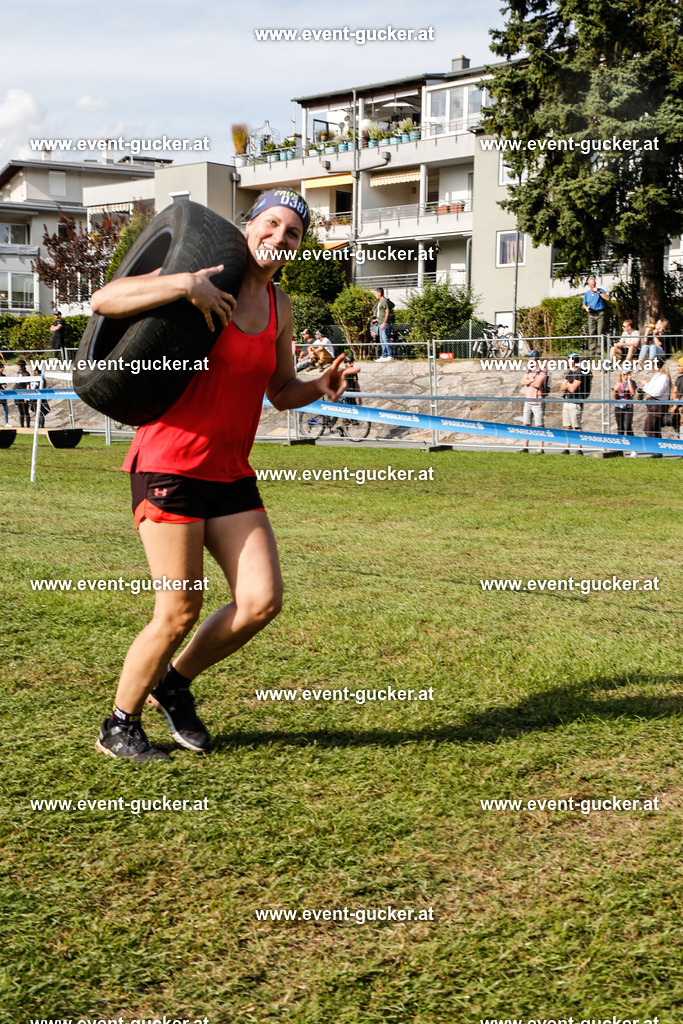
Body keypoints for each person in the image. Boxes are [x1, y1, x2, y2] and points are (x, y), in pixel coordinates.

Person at [89, 187, 357, 762]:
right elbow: (104, 300)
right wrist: (185, 285)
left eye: (293, 233)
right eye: (272, 224)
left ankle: (173, 684)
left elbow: (281, 393)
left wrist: (321, 387)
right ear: (249, 225)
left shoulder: (281, 306)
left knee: (261, 601)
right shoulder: (204, 270)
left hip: (230, 472)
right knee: (179, 609)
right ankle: (118, 723)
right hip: (170, 464)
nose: (280, 238)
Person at [560, 353, 592, 454]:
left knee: (576, 426)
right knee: (567, 426)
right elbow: (562, 387)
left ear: (573, 360)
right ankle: (567, 448)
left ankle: (579, 448)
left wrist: (568, 385)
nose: (566, 361)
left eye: (568, 359)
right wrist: (569, 385)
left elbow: (573, 388)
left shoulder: (580, 372)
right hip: (567, 401)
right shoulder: (570, 373)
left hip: (576, 403)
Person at [518, 349, 548, 453]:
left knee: (539, 425)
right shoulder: (529, 370)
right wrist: (531, 380)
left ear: (534, 358)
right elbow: (522, 381)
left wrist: (529, 381)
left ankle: (541, 448)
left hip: (538, 401)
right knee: (526, 424)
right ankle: (525, 447)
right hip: (528, 400)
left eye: (529, 357)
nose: (528, 359)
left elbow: (538, 384)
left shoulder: (542, 370)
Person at [640, 356, 671, 443]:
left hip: (657, 407)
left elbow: (657, 392)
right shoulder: (657, 377)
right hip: (653, 406)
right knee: (655, 430)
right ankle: (658, 451)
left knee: (648, 428)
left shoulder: (663, 377)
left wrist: (646, 385)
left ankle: (655, 449)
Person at [582, 276, 610, 357]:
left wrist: (598, 292)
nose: (593, 286)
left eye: (594, 285)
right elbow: (584, 304)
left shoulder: (600, 291)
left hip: (600, 313)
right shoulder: (587, 294)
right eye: (591, 285)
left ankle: (599, 350)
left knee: (600, 331)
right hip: (591, 314)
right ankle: (592, 350)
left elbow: (607, 298)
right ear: (588, 285)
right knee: (592, 332)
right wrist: (586, 308)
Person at [612, 368, 636, 437]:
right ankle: (620, 444)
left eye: (628, 373)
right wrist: (615, 390)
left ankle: (632, 444)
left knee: (628, 426)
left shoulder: (632, 382)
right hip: (618, 406)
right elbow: (615, 397)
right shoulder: (617, 383)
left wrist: (629, 381)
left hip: (628, 406)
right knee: (620, 427)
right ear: (621, 374)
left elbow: (632, 393)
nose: (626, 375)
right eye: (625, 374)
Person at [373, 287, 394, 362]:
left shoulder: (384, 301)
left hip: (384, 323)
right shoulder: (379, 302)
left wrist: (384, 323)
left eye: (376, 293)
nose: (375, 295)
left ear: (379, 293)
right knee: (382, 340)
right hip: (380, 323)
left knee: (385, 339)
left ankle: (390, 355)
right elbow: (381, 313)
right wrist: (376, 320)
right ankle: (384, 355)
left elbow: (387, 312)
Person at [14, 358, 31, 427]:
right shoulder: (18, 373)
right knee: (20, 411)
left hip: (23, 393)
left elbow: (28, 385)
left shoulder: (26, 374)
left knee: (25, 411)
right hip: (17, 394)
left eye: (18, 365)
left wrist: (26, 396)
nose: (17, 366)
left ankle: (28, 425)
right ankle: (22, 426)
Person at [670, 356, 683, 441]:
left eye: (679, 366)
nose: (678, 368)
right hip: (678, 405)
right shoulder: (679, 378)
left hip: (680, 405)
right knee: (678, 424)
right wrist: (674, 399)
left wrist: (675, 405)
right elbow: (674, 391)